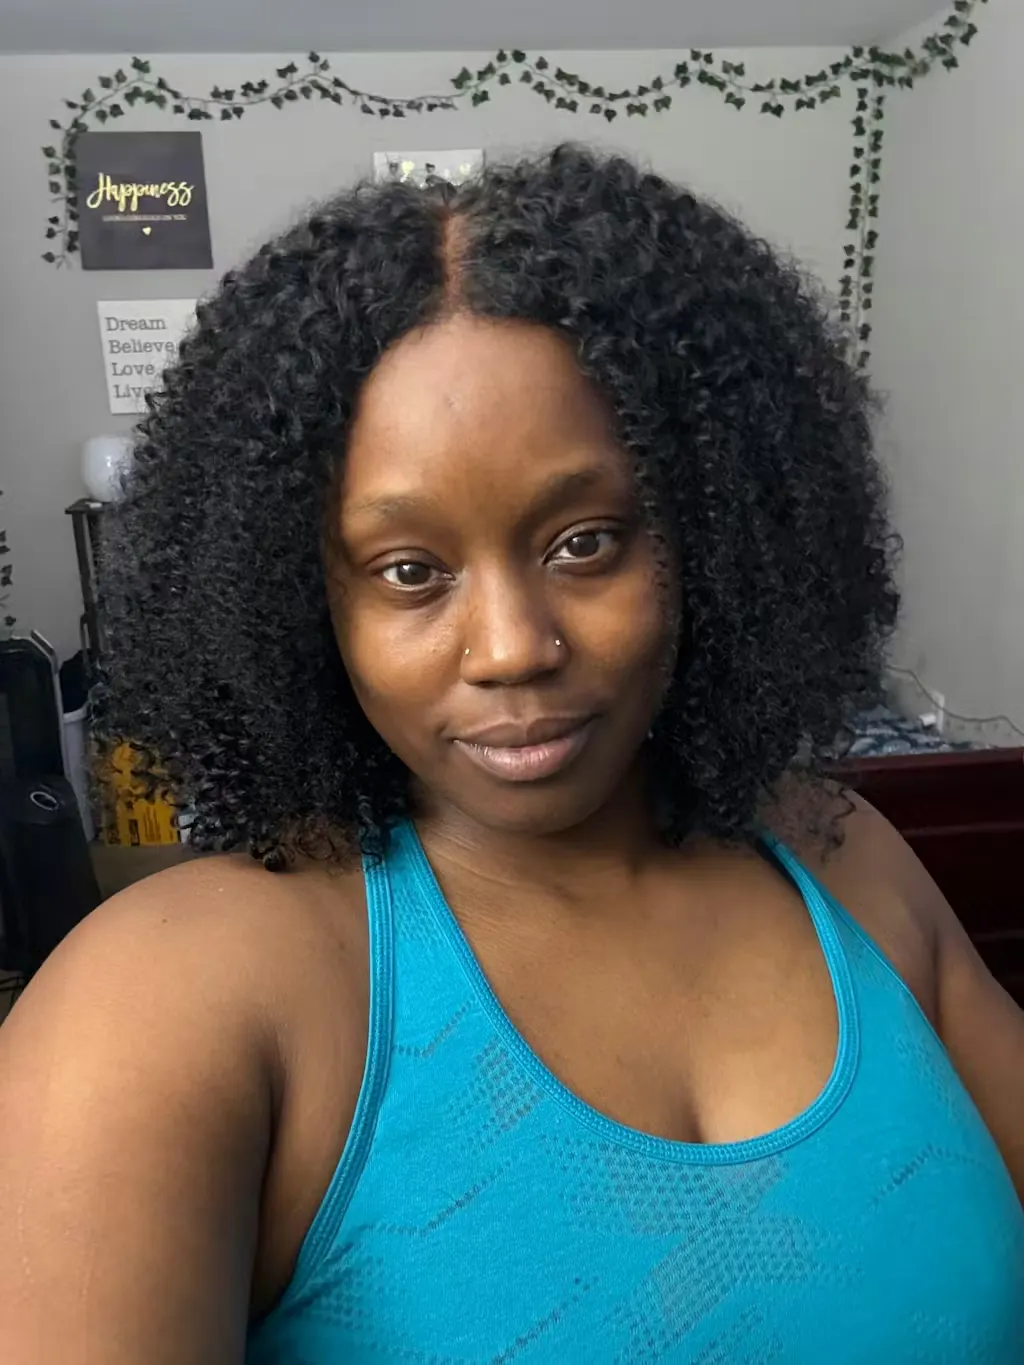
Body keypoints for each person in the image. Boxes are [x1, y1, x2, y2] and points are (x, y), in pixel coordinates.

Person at [1, 146, 1021, 1365]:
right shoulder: (165, 1006)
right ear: (299, 601)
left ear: (712, 535)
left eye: (585, 542)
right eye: (409, 571)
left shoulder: (845, 861)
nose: (513, 648)